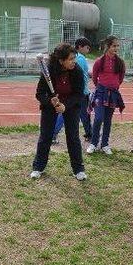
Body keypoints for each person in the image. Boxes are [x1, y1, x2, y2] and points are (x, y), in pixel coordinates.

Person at [30, 43, 87, 181]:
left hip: (71, 105)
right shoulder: (48, 70)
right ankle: (38, 167)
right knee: (46, 136)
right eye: (71, 59)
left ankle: (78, 169)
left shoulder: (77, 71)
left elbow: (79, 95)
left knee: (73, 136)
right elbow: (39, 93)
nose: (74, 61)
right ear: (61, 61)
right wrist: (50, 100)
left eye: (75, 58)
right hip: (51, 105)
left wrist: (65, 106)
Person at [87, 35, 126, 156]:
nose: (116, 48)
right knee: (98, 118)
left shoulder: (120, 62)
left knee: (108, 120)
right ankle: (93, 143)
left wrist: (114, 86)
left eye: (117, 46)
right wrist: (101, 87)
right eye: (114, 46)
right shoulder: (99, 61)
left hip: (113, 93)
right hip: (101, 92)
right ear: (107, 46)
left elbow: (121, 78)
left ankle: (105, 144)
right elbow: (94, 77)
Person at [52, 37, 93, 144]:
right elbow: (81, 74)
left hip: (76, 92)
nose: (88, 50)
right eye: (87, 48)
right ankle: (90, 134)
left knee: (73, 113)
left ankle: (89, 133)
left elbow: (83, 73)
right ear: (79, 47)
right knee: (82, 114)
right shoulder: (81, 58)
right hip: (81, 92)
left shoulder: (77, 59)